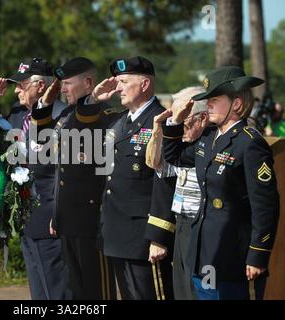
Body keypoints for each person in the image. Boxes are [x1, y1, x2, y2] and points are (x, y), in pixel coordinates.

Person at [161, 66, 280, 300]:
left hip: (233, 257)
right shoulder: (208, 138)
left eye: (214, 100)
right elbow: (174, 156)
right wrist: (176, 120)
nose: (209, 105)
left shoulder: (249, 144)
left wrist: (258, 255)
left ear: (236, 103)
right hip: (206, 253)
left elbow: (265, 206)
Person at [87, 56, 176, 300]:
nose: (117, 88)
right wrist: (94, 100)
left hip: (143, 237)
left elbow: (166, 181)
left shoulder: (162, 121)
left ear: (145, 84)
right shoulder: (118, 120)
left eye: (124, 81)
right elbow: (79, 134)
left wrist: (158, 236)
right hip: (116, 231)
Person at [31, 57, 118, 300]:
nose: (63, 89)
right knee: (76, 290)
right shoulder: (67, 114)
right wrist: (45, 103)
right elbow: (43, 143)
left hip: (93, 220)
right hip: (68, 218)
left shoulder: (105, 114)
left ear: (88, 83)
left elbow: (87, 124)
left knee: (96, 290)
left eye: (68, 83)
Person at [0, 57, 69, 300]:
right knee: (38, 290)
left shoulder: (62, 116)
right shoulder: (17, 114)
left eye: (22, 84)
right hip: (25, 217)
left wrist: (58, 212)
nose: (17, 90)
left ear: (40, 86)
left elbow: (66, 173)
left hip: (52, 217)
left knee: (58, 290)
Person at [145, 86, 209, 300]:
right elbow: (156, 165)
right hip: (181, 228)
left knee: (202, 292)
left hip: (205, 230)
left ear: (202, 118)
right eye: (174, 118)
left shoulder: (210, 145)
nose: (178, 125)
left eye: (183, 119)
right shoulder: (180, 146)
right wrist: (158, 129)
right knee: (181, 292)